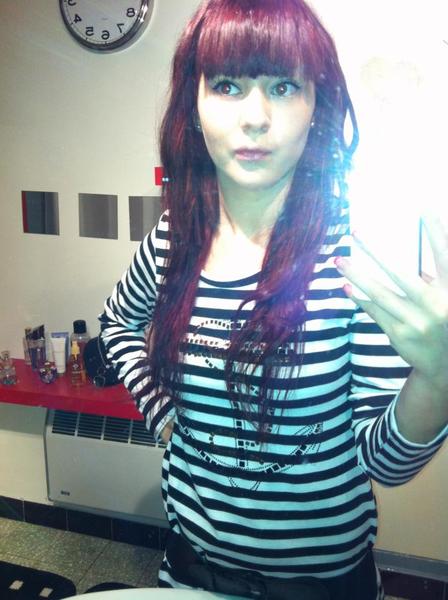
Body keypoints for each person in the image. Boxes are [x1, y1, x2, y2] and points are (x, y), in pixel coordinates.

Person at [99, 1, 448, 598]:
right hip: (187, 574)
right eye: (227, 86)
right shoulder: (174, 238)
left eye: (284, 87)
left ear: (316, 106)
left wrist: (438, 377)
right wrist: (164, 414)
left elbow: (385, 463)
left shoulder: (352, 256)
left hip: (322, 588)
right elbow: (117, 324)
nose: (255, 117)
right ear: (194, 105)